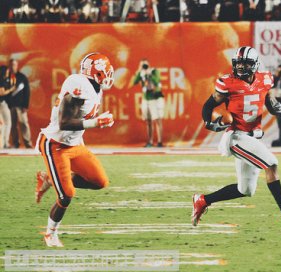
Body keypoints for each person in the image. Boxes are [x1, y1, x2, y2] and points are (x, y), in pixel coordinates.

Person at [192, 46, 281, 227]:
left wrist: (275, 106)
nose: (240, 67)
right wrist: (209, 123)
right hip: (236, 137)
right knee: (271, 163)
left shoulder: (266, 79)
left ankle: (203, 200)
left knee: (245, 189)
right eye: (238, 64)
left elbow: (269, 100)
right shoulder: (227, 83)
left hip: (252, 138)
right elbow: (208, 105)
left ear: (255, 65)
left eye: (245, 64)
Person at [35, 52, 115, 247]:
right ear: (95, 74)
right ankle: (50, 234)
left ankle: (49, 178)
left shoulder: (95, 88)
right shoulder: (78, 85)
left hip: (75, 144)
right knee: (66, 195)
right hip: (55, 145)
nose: (109, 75)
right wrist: (96, 122)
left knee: (99, 181)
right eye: (105, 72)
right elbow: (64, 122)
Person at [132, 59, 164, 147]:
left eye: (145, 65)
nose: (144, 67)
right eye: (142, 65)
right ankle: (150, 141)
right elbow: (134, 82)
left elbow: (157, 81)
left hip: (155, 98)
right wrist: (139, 71)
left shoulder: (154, 71)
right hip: (145, 99)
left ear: (149, 64)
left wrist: (149, 73)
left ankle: (160, 142)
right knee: (148, 121)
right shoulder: (141, 73)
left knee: (157, 120)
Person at [8, 58, 33, 148]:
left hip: (21, 106)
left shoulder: (22, 77)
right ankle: (15, 143)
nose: (12, 67)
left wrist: (25, 105)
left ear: (17, 66)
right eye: (11, 65)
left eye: (14, 65)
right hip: (9, 107)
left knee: (24, 124)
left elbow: (27, 92)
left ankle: (28, 144)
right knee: (12, 126)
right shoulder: (5, 78)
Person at [0, 65, 15, 148]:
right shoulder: (1, 80)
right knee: (7, 123)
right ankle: (5, 143)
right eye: (6, 71)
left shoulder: (4, 80)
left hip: (3, 103)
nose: (7, 72)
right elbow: (1, 93)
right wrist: (10, 90)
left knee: (3, 124)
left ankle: (3, 143)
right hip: (2, 103)